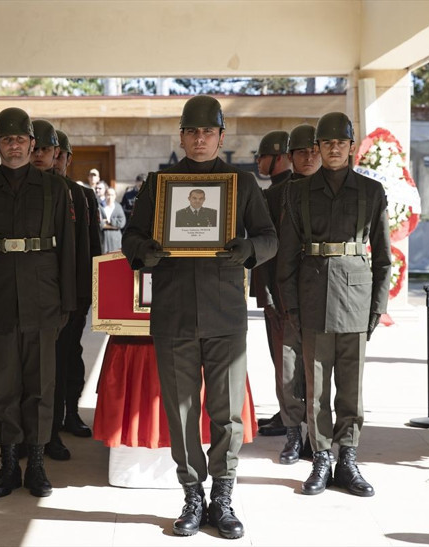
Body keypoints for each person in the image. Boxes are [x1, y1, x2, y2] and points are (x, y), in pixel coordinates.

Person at [121, 95, 277, 539]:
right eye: (193, 131)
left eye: (209, 132)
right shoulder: (159, 184)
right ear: (182, 136)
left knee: (226, 414)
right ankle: (192, 494)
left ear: (222, 137)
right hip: (173, 314)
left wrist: (249, 250)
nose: (201, 138)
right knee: (182, 412)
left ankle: (223, 497)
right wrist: (144, 251)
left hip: (225, 313)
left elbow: (269, 238)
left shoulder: (241, 185)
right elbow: (132, 235)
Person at [0, 107, 76, 499]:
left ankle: (37, 465)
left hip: (44, 298)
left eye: (20, 139)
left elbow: (68, 250)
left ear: (31, 143)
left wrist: (67, 302)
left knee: (41, 384)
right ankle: (9, 463)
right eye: (6, 139)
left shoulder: (55, 189)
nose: (14, 144)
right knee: (4, 384)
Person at [276, 112, 391, 498]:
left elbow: (384, 259)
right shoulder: (298, 193)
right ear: (319, 147)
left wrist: (377, 307)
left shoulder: (372, 192)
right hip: (313, 296)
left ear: (352, 147)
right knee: (317, 386)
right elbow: (287, 258)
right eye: (327, 143)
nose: (334, 149)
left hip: (357, 297)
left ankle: (348, 458)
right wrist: (290, 307)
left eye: (341, 142)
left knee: (352, 388)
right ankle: (322, 458)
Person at [29, 119, 89, 461]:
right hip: (33, 293)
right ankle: (33, 433)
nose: (40, 156)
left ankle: (58, 426)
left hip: (69, 296)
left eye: (47, 150)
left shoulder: (76, 194)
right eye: (34, 148)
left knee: (65, 361)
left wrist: (84, 295)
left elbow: (83, 248)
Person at [249, 129, 308, 465]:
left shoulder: (283, 193)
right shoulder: (275, 191)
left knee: (288, 362)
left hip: (284, 295)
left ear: (281, 156)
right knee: (283, 362)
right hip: (277, 293)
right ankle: (288, 418)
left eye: (264, 156)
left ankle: (294, 424)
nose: (259, 162)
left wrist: (270, 295)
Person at [54, 129, 101, 439]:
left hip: (76, 292)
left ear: (68, 159)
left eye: (60, 154)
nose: (54, 159)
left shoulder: (83, 195)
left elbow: (93, 246)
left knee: (71, 355)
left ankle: (71, 413)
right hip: (42, 292)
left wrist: (93, 292)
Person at [100, 186, 125, 253]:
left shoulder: (118, 207)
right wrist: (114, 226)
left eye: (112, 195)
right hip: (103, 238)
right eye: (108, 194)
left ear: (115, 196)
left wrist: (109, 222)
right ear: (105, 195)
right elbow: (99, 223)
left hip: (116, 239)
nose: (110, 197)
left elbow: (122, 223)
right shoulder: (100, 207)